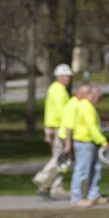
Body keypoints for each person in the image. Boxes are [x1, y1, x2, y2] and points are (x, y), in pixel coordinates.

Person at [61, 84, 109, 208]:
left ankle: (93, 194)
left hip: (88, 142)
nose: (98, 100)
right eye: (98, 97)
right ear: (92, 95)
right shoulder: (86, 107)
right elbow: (92, 127)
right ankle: (76, 197)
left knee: (95, 168)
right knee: (82, 170)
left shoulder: (85, 106)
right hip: (84, 142)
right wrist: (103, 141)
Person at [32, 63, 74, 197]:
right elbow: (62, 112)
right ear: (60, 77)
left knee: (61, 158)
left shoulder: (55, 89)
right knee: (60, 157)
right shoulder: (59, 91)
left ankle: (56, 187)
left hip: (53, 127)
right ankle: (42, 177)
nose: (68, 79)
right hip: (57, 127)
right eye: (67, 76)